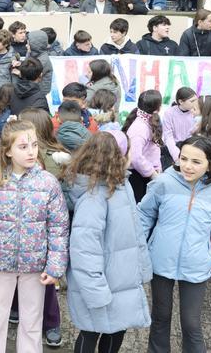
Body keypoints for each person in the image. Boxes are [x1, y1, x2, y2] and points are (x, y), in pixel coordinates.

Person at [0, 120, 69, 353]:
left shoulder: (48, 183)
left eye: (34, 145)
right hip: (0, 264)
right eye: (23, 147)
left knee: (32, 323)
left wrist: (55, 265)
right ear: (8, 151)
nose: (31, 152)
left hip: (35, 266)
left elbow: (58, 227)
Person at [139, 135, 211, 353]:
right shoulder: (164, 182)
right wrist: (139, 247)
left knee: (191, 323)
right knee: (160, 317)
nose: (188, 166)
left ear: (210, 163)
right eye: (184, 159)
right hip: (160, 261)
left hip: (197, 264)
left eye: (196, 162)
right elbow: (144, 215)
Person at [64, 131, 151, 353]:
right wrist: (96, 291)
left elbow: (135, 231)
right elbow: (84, 251)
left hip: (120, 280)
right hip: (104, 285)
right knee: (91, 332)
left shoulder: (121, 186)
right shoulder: (94, 199)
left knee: (117, 329)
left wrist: (141, 268)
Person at [123, 89, 163, 201]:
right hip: (139, 176)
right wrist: (152, 173)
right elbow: (136, 157)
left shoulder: (146, 122)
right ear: (158, 108)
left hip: (146, 173)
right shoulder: (139, 128)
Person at [161, 87, 199, 167]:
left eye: (196, 100)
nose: (195, 103)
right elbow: (168, 137)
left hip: (190, 147)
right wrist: (176, 156)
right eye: (192, 101)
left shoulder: (195, 113)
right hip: (173, 148)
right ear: (181, 101)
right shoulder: (169, 113)